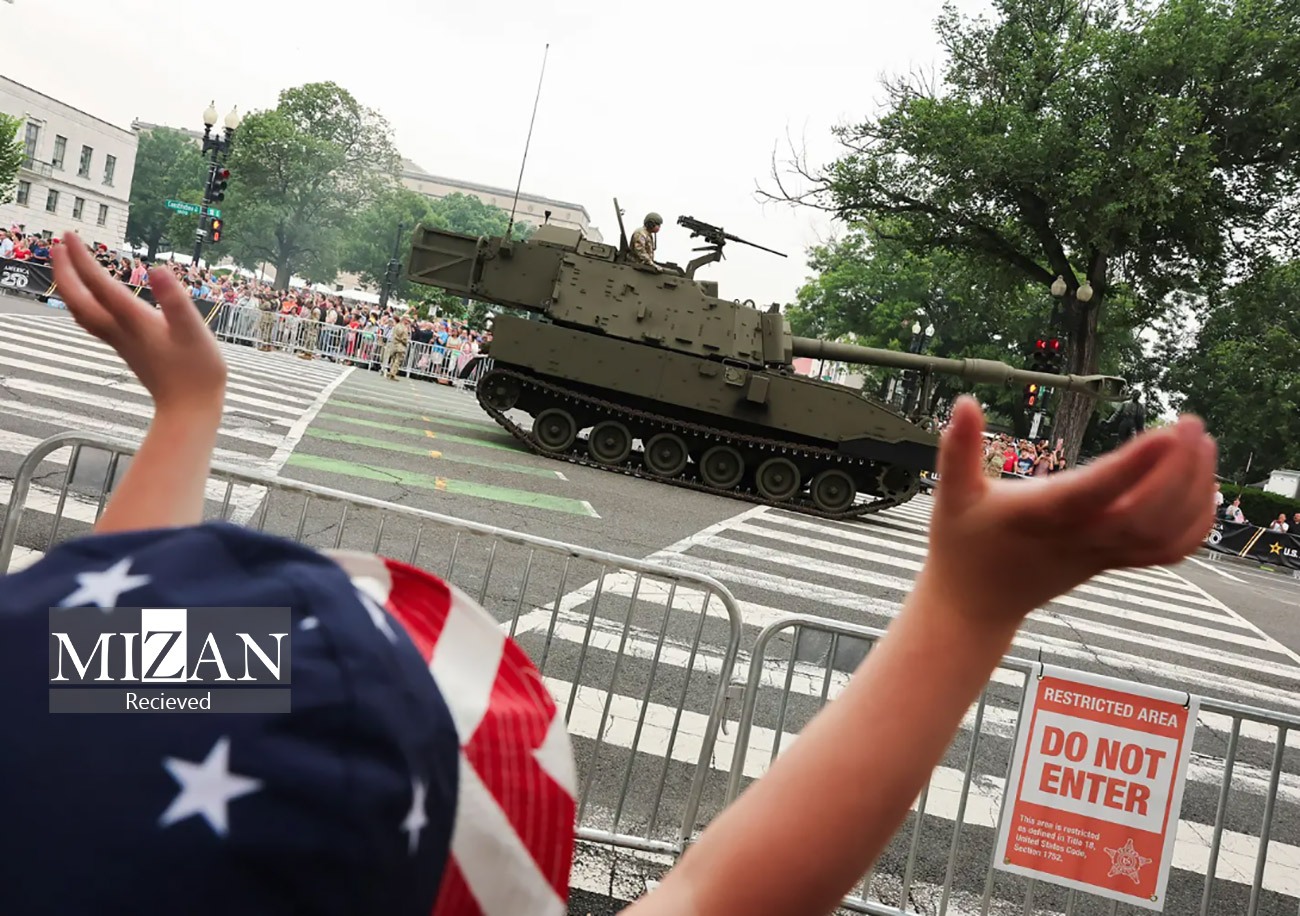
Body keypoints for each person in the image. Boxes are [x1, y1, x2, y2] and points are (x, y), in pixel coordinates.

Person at [2, 232, 1218, 915]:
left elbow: (83, 666)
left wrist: (183, 413)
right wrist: (970, 603)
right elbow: (726, 889)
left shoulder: (44, 718)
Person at [385, 314, 411, 379]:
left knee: (393, 360)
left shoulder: (397, 325)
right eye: (408, 321)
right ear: (405, 320)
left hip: (394, 344)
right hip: (400, 345)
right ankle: (393, 373)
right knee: (398, 360)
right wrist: (406, 342)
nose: (408, 322)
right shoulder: (404, 328)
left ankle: (390, 372)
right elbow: (404, 338)